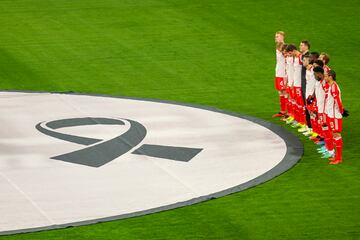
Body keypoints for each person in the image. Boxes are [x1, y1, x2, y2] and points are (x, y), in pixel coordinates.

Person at [324, 70, 348, 164]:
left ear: (330, 76)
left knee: (337, 135)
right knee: (334, 135)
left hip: (335, 115)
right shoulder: (331, 86)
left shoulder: (333, 87)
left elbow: (337, 100)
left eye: (326, 76)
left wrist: (341, 111)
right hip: (331, 114)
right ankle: (336, 157)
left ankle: (339, 158)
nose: (325, 77)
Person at [286, 44, 306, 128]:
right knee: (297, 103)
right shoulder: (296, 58)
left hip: (299, 84)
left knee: (301, 104)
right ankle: (298, 119)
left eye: (290, 53)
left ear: (293, 51)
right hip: (295, 84)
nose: (290, 55)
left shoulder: (301, 57)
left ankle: (303, 122)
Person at [273, 31, 287, 118]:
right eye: (275, 36)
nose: (276, 38)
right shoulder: (278, 46)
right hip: (278, 72)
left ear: (282, 37)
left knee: (285, 92)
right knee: (280, 92)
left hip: (283, 74)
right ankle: (282, 111)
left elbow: (287, 58)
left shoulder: (283, 47)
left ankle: (287, 113)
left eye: (277, 36)